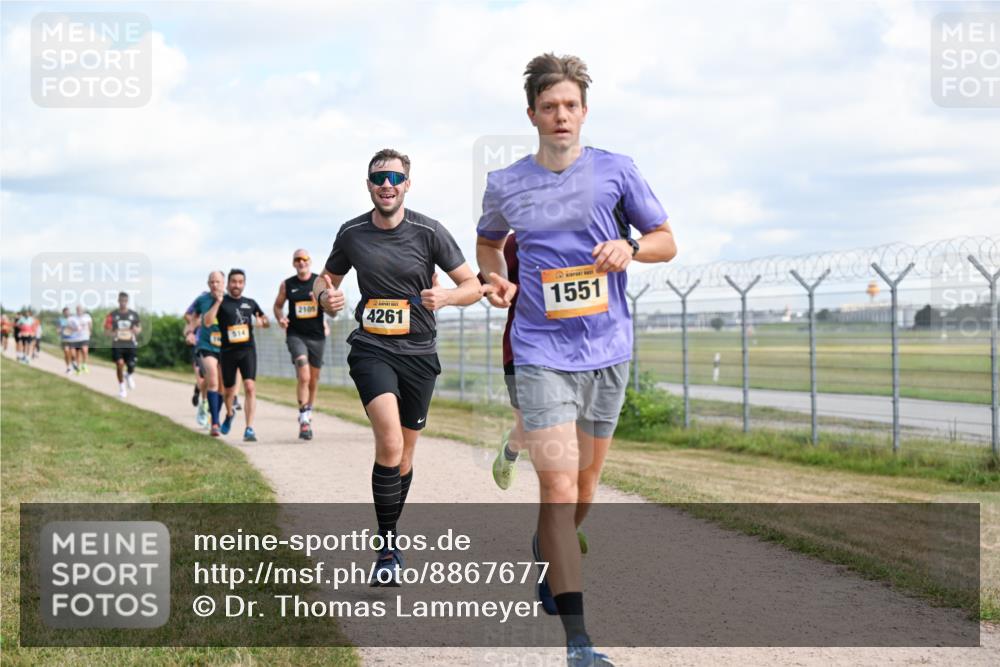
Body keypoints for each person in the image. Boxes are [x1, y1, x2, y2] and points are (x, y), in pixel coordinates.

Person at [476, 53, 677, 667]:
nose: (560, 115)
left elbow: (667, 241)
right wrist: (495, 278)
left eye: (570, 106)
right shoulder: (506, 182)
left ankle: (547, 546)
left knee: (586, 487)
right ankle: (579, 643)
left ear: (583, 112)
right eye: (549, 106)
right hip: (540, 353)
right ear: (532, 113)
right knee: (560, 488)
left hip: (608, 352)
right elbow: (487, 244)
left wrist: (631, 246)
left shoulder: (617, 170)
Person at [316, 148, 481, 586]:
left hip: (420, 354)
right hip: (371, 348)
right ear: (368, 185)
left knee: (405, 456)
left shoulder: (429, 232)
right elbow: (326, 278)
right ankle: (387, 548)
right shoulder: (351, 233)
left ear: (407, 184)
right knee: (389, 443)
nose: (386, 184)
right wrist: (324, 297)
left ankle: (391, 534)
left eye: (394, 177)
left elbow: (473, 285)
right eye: (377, 178)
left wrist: (447, 296)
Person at [205, 269, 269, 442]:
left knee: (249, 386)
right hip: (227, 352)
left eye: (240, 282)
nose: (237, 285)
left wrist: (263, 322)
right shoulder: (221, 302)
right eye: (234, 281)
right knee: (228, 392)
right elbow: (208, 321)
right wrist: (218, 302)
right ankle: (230, 413)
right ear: (228, 284)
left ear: (244, 284)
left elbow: (265, 320)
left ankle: (249, 428)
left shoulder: (250, 303)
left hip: (247, 350)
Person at [274, 249, 330, 440]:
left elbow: (330, 307)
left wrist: (322, 304)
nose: (301, 262)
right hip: (296, 335)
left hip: (317, 337)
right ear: (293, 263)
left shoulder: (318, 282)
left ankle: (308, 410)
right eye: (297, 259)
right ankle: (304, 418)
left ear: (310, 261)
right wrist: (281, 318)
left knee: (313, 380)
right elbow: (277, 306)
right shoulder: (287, 285)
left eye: (304, 259)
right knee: (304, 375)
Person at [186, 271, 228, 436]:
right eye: (211, 282)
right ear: (208, 283)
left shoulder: (230, 299)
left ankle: (213, 415)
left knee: (223, 387)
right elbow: (192, 316)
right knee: (212, 379)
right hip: (206, 345)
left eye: (218, 282)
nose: (214, 285)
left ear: (223, 283)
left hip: (225, 346)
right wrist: (190, 331)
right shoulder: (202, 300)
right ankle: (215, 423)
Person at [105, 292, 142, 398]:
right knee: (120, 364)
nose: (123, 303)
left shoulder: (133, 314)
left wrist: (136, 330)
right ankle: (122, 388)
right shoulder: (112, 315)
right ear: (118, 301)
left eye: (125, 301)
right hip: (118, 343)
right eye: (121, 301)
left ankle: (129, 375)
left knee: (131, 365)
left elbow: (139, 328)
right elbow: (106, 331)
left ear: (127, 301)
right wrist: (113, 333)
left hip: (130, 343)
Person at [73, 305, 93, 373]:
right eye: (77, 310)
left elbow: (90, 324)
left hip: (85, 336)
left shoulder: (87, 317)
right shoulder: (74, 318)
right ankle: (78, 368)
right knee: (77, 353)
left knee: (85, 350)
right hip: (77, 337)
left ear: (82, 310)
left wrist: (90, 331)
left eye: (80, 309)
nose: (79, 311)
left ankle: (84, 364)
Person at [58, 307, 77, 373]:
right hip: (64, 339)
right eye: (65, 312)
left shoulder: (73, 319)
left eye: (68, 312)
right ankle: (68, 368)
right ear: (63, 313)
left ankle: (74, 362)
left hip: (72, 338)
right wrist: (59, 331)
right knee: (66, 352)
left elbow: (77, 328)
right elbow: (58, 328)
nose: (67, 313)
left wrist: (71, 329)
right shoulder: (61, 320)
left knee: (73, 354)